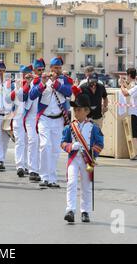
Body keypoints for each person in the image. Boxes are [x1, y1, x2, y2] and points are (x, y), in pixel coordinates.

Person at [30, 57, 73, 189]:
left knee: (55, 149)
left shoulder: (65, 80)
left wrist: (56, 84)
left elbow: (69, 92)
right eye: (55, 68)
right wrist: (43, 84)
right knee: (44, 145)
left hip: (59, 119)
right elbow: (32, 95)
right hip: (44, 118)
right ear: (51, 68)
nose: (57, 70)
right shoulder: (41, 79)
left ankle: (52, 178)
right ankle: (44, 177)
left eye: (59, 68)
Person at [61, 91, 104, 224]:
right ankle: (70, 210)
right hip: (74, 158)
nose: (76, 112)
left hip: (88, 160)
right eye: (75, 109)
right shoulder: (70, 127)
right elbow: (62, 143)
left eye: (78, 109)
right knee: (71, 183)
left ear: (86, 111)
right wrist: (70, 146)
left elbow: (100, 144)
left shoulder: (93, 127)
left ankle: (85, 211)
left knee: (86, 185)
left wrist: (92, 154)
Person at [7, 65, 33, 177]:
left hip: (30, 117)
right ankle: (20, 166)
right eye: (24, 74)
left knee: (29, 142)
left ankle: (27, 165)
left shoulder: (34, 84)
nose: (25, 76)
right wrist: (22, 85)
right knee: (19, 141)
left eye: (28, 74)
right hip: (18, 116)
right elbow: (11, 97)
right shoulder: (15, 84)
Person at [23, 58, 46, 183]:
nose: (41, 72)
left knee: (42, 144)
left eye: (42, 69)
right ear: (34, 70)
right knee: (32, 141)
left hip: (43, 116)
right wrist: (27, 83)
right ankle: (33, 170)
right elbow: (23, 97)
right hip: (31, 116)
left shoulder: (46, 81)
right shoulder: (29, 81)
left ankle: (41, 170)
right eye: (39, 70)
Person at [0, 61, 13, 172]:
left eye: (3, 70)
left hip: (7, 114)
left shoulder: (9, 83)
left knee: (5, 139)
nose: (1, 72)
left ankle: (2, 159)